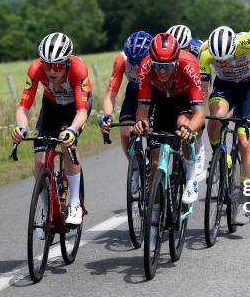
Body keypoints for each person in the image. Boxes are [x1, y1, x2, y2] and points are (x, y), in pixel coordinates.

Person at [11, 32, 92, 226]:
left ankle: (74, 204)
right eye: (47, 65)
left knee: (67, 144)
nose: (52, 71)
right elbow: (23, 108)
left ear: (67, 62)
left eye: (57, 65)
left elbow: (82, 112)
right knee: (39, 161)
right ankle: (46, 211)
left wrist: (72, 130)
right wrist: (21, 127)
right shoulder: (35, 69)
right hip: (51, 106)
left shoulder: (79, 70)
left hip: (75, 109)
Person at [198, 10, 250, 225]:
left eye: (227, 58)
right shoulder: (206, 53)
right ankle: (221, 156)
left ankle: (246, 198)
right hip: (225, 87)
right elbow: (202, 89)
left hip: (249, 88)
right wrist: (198, 113)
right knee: (215, 117)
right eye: (220, 61)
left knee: (245, 141)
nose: (224, 63)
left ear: (235, 48)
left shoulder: (249, 40)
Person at [133, 33, 206, 206]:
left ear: (177, 60)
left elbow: (200, 115)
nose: (162, 71)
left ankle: (190, 178)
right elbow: (143, 110)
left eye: (167, 66)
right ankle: (154, 219)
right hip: (162, 99)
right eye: (158, 66)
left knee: (183, 125)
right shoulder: (146, 66)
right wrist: (141, 123)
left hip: (184, 98)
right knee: (156, 162)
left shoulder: (189, 64)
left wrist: (190, 129)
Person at [98, 31, 153, 155]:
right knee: (125, 133)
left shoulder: (156, 60)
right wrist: (107, 116)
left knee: (152, 135)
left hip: (154, 95)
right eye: (132, 61)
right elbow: (111, 94)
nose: (136, 66)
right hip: (134, 93)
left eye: (140, 61)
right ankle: (135, 169)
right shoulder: (121, 60)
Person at [167, 24, 206, 175]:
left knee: (196, 113)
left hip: (194, 81)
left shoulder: (199, 50)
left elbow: (201, 85)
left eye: (184, 49)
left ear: (189, 46)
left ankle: (199, 143)